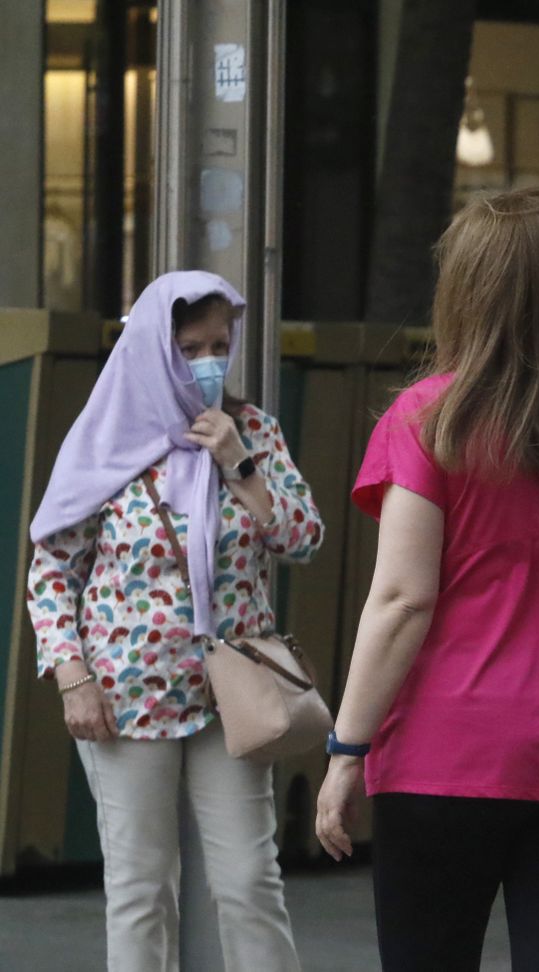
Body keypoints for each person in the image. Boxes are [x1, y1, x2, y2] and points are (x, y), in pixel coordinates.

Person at [313, 188, 539, 972]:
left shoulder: (427, 420)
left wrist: (346, 747)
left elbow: (403, 598)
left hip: (445, 751)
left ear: (467, 291)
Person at [26, 271, 321, 971]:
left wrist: (237, 464)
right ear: (156, 349)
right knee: (140, 889)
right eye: (191, 347)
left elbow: (303, 537)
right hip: (127, 697)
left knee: (251, 882)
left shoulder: (253, 433)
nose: (209, 361)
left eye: (221, 344)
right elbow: (51, 572)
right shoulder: (109, 437)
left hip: (232, 696)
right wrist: (72, 676)